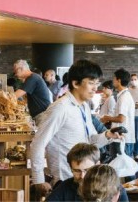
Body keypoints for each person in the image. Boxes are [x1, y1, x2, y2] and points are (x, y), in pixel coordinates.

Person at [30, 60, 124, 196]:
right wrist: (38, 179)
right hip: (64, 180)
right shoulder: (60, 108)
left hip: (84, 178)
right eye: (91, 83)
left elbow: (91, 140)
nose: (95, 88)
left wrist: (108, 135)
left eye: (96, 83)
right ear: (75, 83)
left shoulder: (84, 106)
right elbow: (38, 143)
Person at [47, 143, 127, 201]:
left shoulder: (113, 188)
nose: (82, 176)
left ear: (98, 165)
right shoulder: (64, 188)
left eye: (87, 170)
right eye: (77, 171)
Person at [101, 69, 136, 156]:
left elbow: (121, 119)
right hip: (121, 137)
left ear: (119, 80)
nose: (113, 81)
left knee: (120, 167)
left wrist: (107, 118)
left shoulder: (124, 97)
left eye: (114, 78)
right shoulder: (123, 95)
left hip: (121, 138)